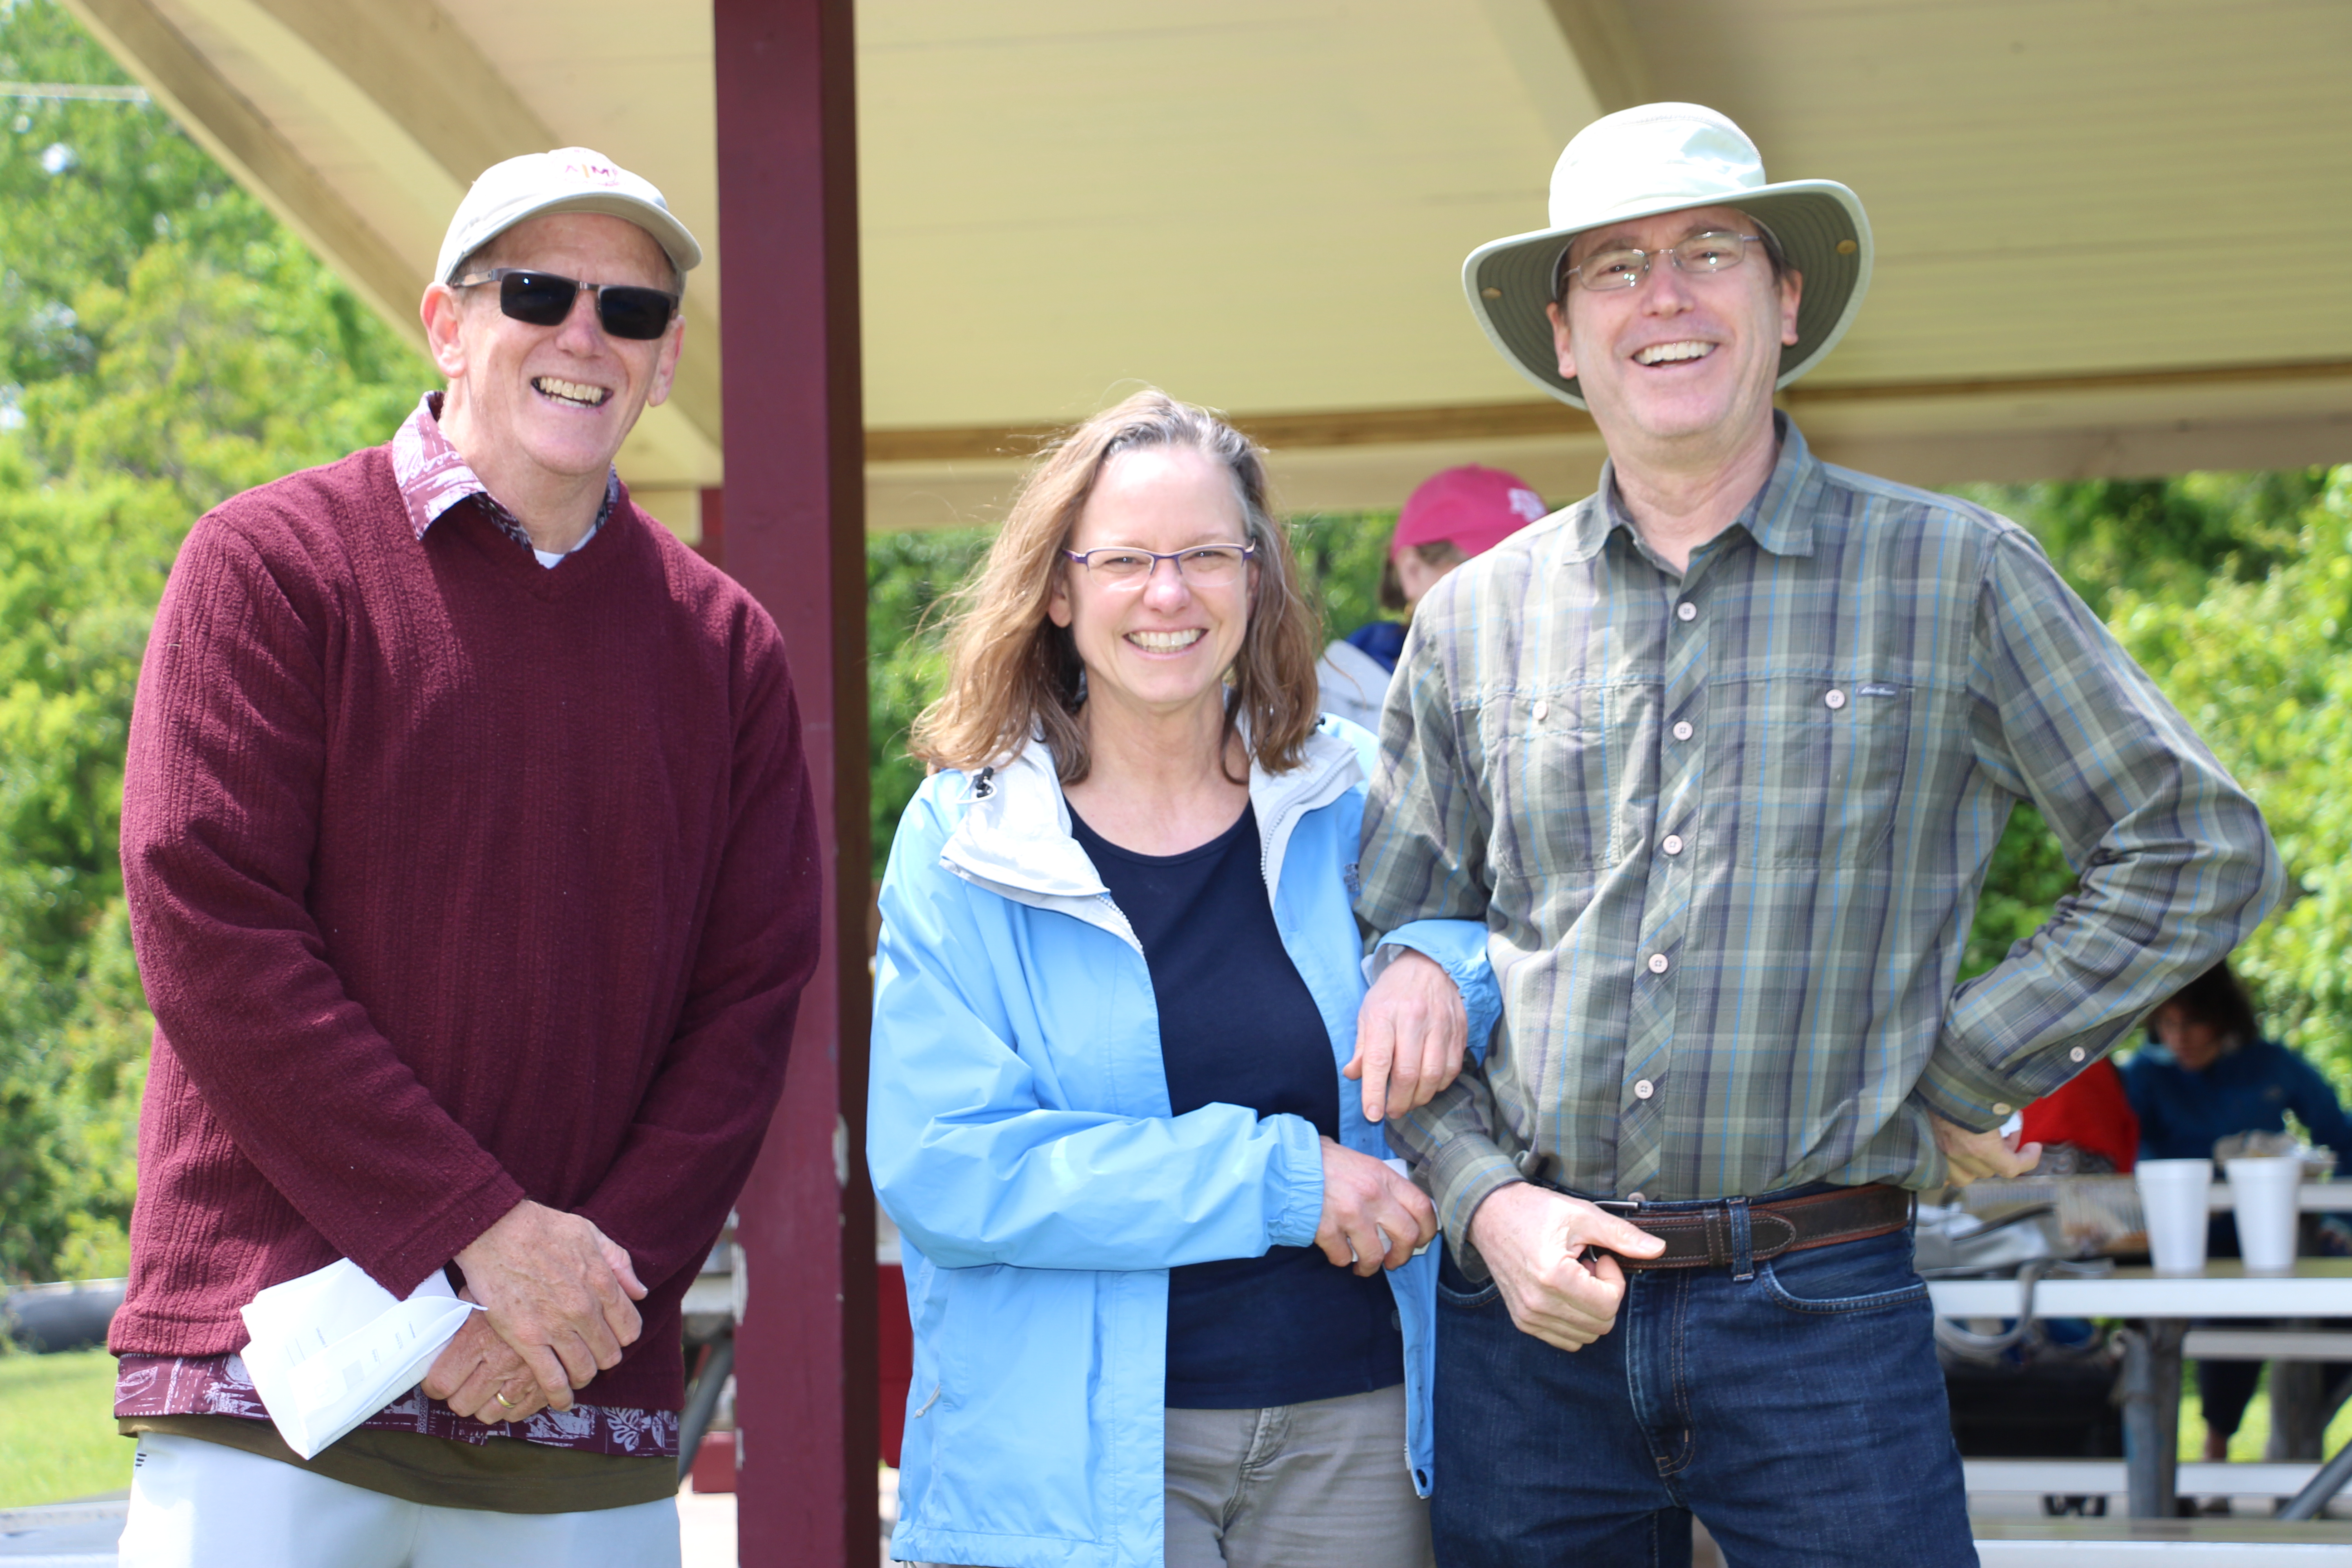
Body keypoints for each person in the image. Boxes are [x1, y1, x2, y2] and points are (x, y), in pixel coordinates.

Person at [1347, 102, 2283, 1564]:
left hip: (1822, 1314)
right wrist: (1486, 1206)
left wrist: (1962, 1061)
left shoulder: (1953, 571)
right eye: (1616, 267)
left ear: (1785, 305)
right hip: (1531, 1319)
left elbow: (2198, 847)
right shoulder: (1470, 623)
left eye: (1712, 251)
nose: (1666, 294)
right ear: (1564, 331)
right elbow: (1392, 951)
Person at [110, 148, 822, 1565]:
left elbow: (748, 1009)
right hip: (283, 1389)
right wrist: (476, 1237)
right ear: (446, 323)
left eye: (628, 311)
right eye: (539, 290)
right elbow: (211, 928)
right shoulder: (269, 564)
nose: (583, 334)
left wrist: (570, 1299)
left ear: (666, 361)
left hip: (569, 1402)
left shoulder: (726, 648)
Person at [867, 390, 1497, 1568]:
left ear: (1256, 579)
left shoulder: (1355, 790)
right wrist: (1274, 1181)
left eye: (1209, 553)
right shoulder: (970, 837)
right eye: (1125, 560)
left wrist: (1438, 963)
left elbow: (1498, 933)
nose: (1171, 592)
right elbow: (943, 1166)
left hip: (1354, 1435)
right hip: (1068, 1462)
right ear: (1059, 590)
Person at [2123, 958, 2352, 1462]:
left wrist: (2341, 1220)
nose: (2180, 1037)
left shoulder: (2270, 1064)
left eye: (2193, 1022)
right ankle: (2214, 1449)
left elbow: (2341, 1136)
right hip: (2184, 1243)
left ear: (2223, 1019)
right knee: (2226, 1317)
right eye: (2169, 1023)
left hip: (2279, 1240)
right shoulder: (2142, 1075)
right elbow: (2122, 1155)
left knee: (2339, 1321)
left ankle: (2298, 1440)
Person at [1314, 465, 1548, 730]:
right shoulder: (1319, 713)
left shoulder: (1566, 689)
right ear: (1412, 571)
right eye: (1495, 571)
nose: (1526, 593)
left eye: (1541, 572)